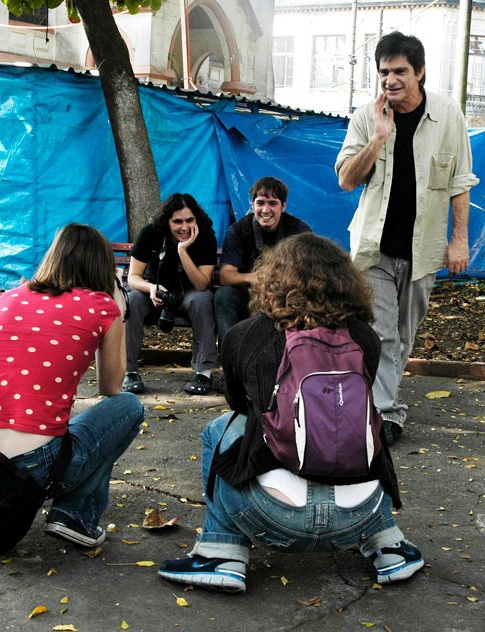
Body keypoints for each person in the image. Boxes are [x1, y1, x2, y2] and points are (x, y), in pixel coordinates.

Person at [157, 233, 424, 593]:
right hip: (356, 517)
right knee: (359, 419)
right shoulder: (365, 338)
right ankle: (388, 547)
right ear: (346, 283)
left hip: (272, 514)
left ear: (272, 280)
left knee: (220, 429)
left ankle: (223, 553)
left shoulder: (243, 335)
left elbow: (238, 406)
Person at [335, 31, 479, 445]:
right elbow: (345, 179)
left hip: (424, 249)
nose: (390, 80)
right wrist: (379, 136)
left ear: (420, 72)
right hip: (374, 248)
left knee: (404, 333)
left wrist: (458, 241)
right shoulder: (367, 116)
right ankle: (386, 415)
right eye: (383, 72)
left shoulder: (449, 115)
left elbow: (460, 181)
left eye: (400, 71)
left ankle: (382, 403)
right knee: (382, 333)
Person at [0, 223, 144, 548]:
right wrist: (119, 314)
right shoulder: (101, 307)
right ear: (102, 267)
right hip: (33, 464)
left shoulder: (7, 299)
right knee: (127, 408)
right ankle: (76, 515)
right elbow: (111, 387)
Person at [122, 193, 219, 396]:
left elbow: (202, 284)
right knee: (132, 299)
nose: (184, 227)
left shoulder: (206, 236)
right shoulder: (151, 233)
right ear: (167, 221)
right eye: (177, 222)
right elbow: (133, 277)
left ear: (196, 218)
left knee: (202, 300)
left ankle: (204, 372)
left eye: (189, 220)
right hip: (155, 293)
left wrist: (182, 250)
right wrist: (150, 288)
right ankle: (128, 371)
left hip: (189, 294)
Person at [215, 176, 311, 345]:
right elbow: (225, 275)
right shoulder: (239, 230)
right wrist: (253, 278)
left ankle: (295, 355)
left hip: (286, 296)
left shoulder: (298, 230)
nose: (265, 210)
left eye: (272, 203)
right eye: (260, 203)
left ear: (284, 206)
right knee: (224, 295)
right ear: (252, 205)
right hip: (249, 294)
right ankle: (229, 355)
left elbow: (308, 275)